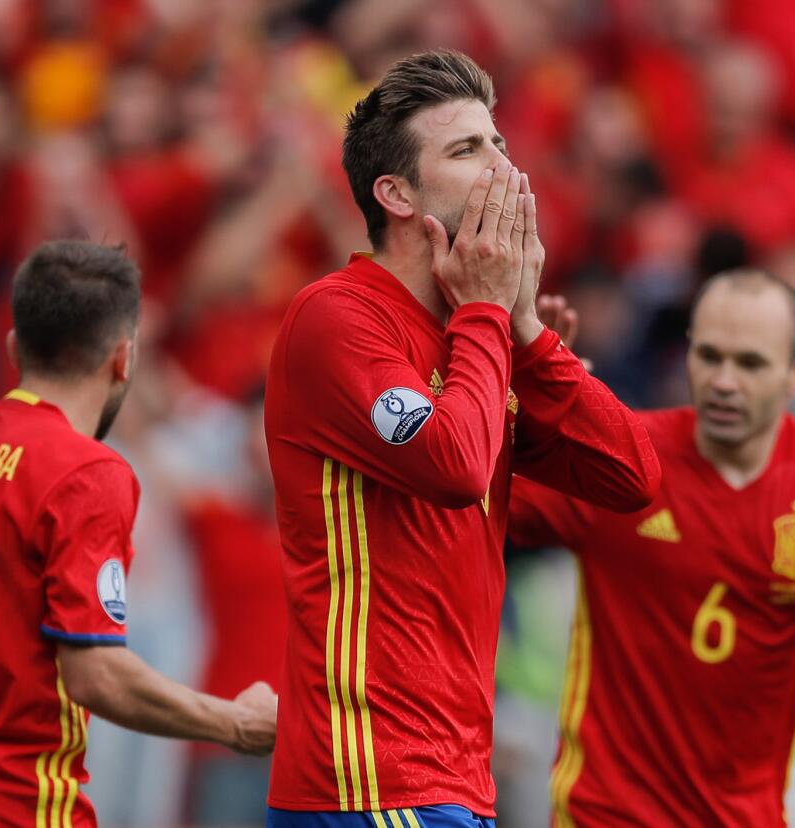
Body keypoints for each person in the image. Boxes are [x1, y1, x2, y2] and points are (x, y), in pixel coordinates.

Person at [263, 50, 660, 828]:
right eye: (467, 149)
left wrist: (528, 332)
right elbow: (454, 467)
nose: (503, 167)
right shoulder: (335, 316)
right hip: (370, 774)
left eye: (500, 143)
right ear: (397, 194)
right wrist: (486, 314)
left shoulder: (474, 336)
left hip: (448, 775)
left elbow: (634, 477)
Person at [509, 270, 795, 827]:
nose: (724, 381)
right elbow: (475, 510)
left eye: (749, 364)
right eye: (709, 356)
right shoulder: (622, 456)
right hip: (605, 812)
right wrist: (521, 417)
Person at [0, 240, 278, 827]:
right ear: (122, 358)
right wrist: (235, 723)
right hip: (19, 807)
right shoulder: (88, 473)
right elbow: (95, 674)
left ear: (13, 344)